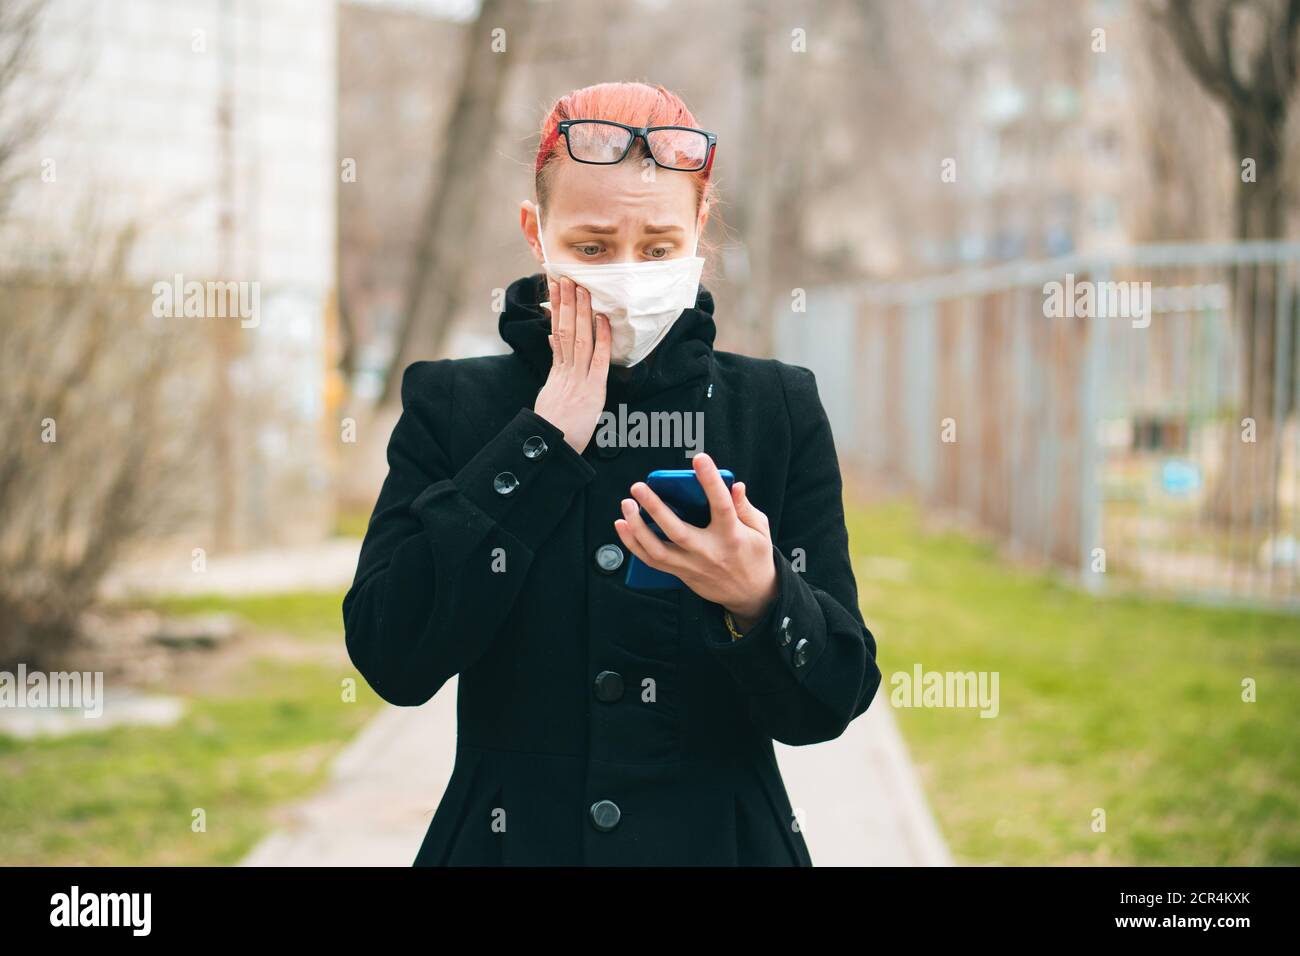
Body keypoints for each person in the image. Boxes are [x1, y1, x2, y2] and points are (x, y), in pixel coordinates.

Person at [342, 80, 881, 866]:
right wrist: (539, 439)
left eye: (658, 248)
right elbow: (392, 655)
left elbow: (830, 701)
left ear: (698, 228)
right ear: (537, 232)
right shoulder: (456, 404)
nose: (627, 273)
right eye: (592, 248)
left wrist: (760, 598)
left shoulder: (776, 408)